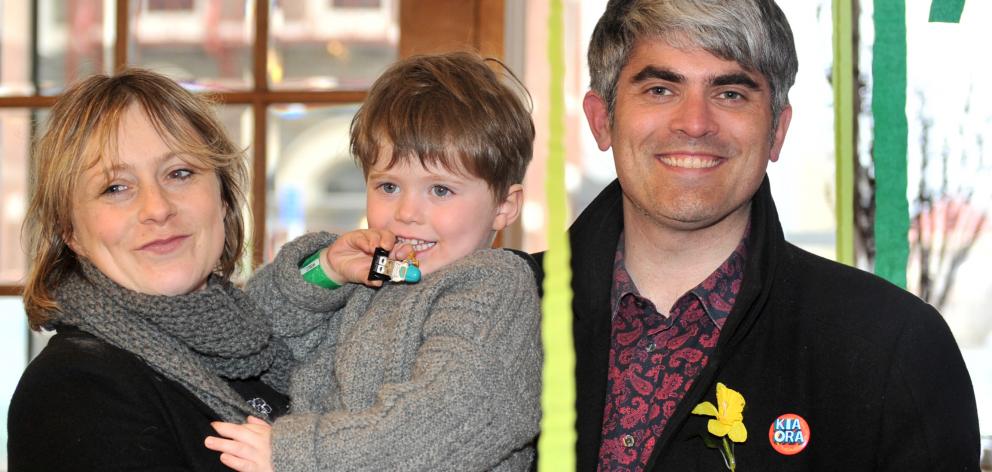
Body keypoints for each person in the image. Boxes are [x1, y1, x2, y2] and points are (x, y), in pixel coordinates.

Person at [538, 0, 981, 470]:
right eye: (661, 88)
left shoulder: (893, 350)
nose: (694, 122)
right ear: (602, 118)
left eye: (730, 93)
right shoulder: (501, 314)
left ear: (776, 130)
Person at [204, 51, 542, 471]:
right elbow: (247, 340)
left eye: (440, 190)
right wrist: (324, 273)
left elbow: (443, 419)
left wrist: (296, 456)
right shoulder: (368, 276)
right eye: (388, 186)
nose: (407, 213)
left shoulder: (493, 287)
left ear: (504, 207)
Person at [7, 69, 293, 471]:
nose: (157, 208)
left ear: (224, 198)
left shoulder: (271, 345)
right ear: (70, 232)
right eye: (115, 188)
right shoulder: (75, 389)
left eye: (180, 173)